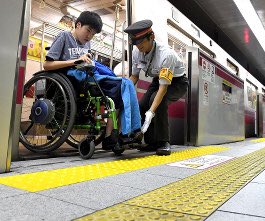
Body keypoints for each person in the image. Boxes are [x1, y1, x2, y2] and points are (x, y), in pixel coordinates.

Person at [43, 11, 142, 151]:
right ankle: (124, 132)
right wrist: (75, 61)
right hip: (73, 79)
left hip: (88, 77)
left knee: (126, 84)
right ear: (78, 25)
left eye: (93, 34)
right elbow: (46, 65)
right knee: (123, 85)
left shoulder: (87, 44)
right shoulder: (64, 37)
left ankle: (123, 133)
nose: (89, 36)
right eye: (88, 30)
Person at [124, 19, 189, 155]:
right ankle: (151, 142)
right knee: (142, 105)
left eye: (141, 41)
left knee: (157, 101)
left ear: (151, 37)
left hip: (178, 82)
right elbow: (134, 76)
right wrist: (125, 91)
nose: (138, 46)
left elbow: (163, 89)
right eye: (135, 42)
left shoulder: (166, 55)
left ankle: (163, 142)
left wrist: (151, 113)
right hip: (157, 80)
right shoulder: (137, 52)